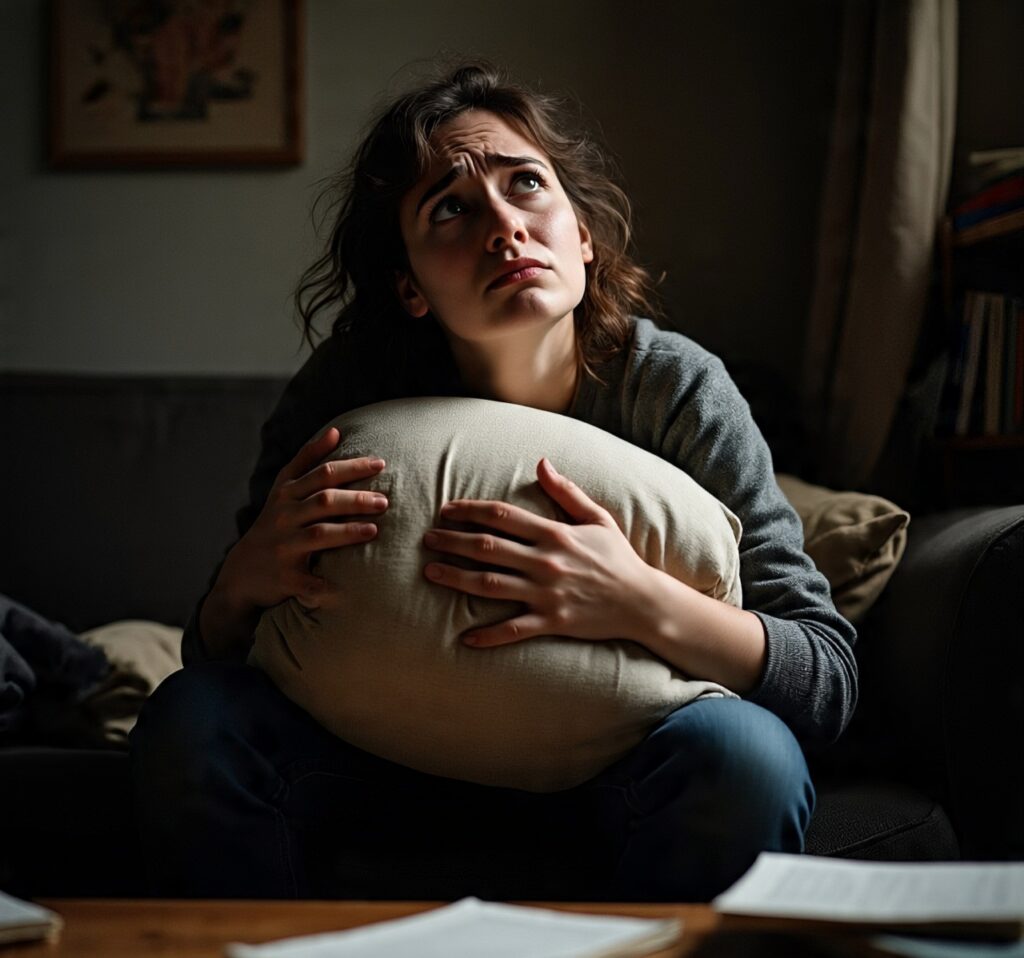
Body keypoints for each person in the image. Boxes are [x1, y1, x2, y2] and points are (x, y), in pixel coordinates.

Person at [130, 61, 857, 902]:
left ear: (581, 232)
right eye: (451, 209)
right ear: (409, 286)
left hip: (612, 779)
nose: (506, 227)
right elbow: (215, 657)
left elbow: (826, 677)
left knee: (749, 758)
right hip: (370, 772)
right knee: (190, 722)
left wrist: (637, 601)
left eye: (527, 186)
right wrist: (241, 583)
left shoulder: (675, 390)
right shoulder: (342, 395)